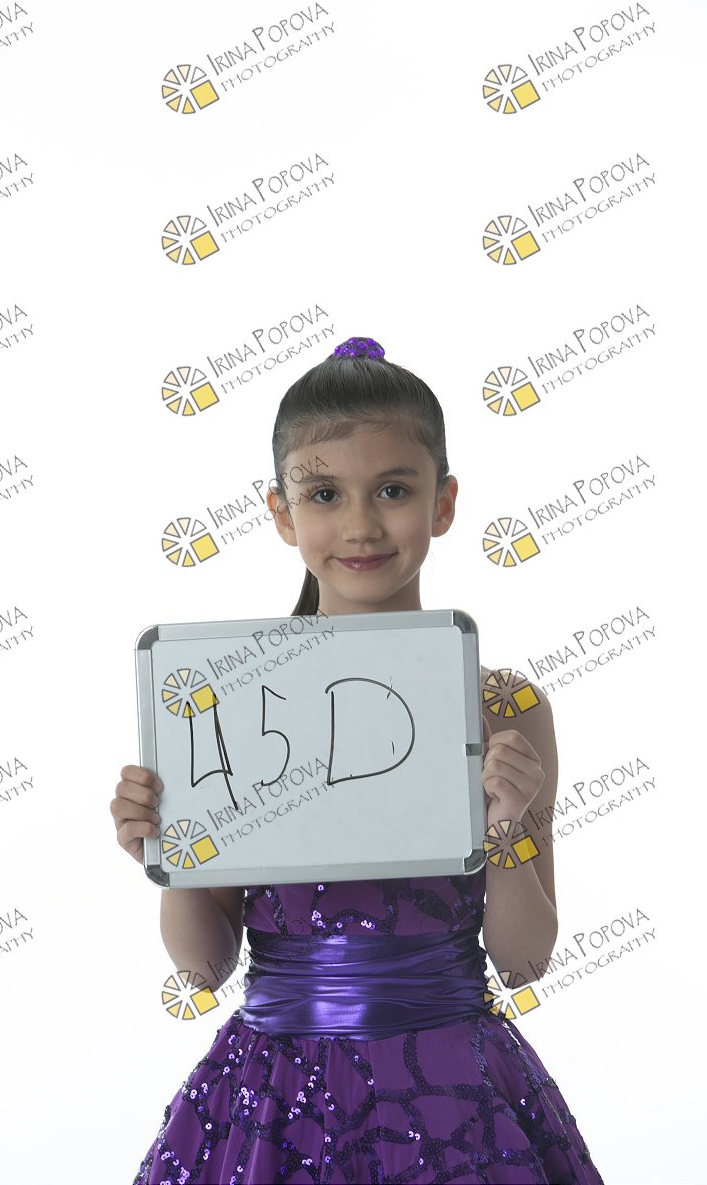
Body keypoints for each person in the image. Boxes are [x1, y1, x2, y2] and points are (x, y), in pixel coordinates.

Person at [113, 336, 605, 1184]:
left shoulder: (503, 706)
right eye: (324, 494)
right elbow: (202, 967)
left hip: (455, 1090)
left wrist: (509, 828)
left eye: (394, 490)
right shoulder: (231, 693)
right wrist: (173, 851)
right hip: (275, 1096)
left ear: (443, 502)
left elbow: (524, 961)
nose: (361, 525)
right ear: (281, 514)